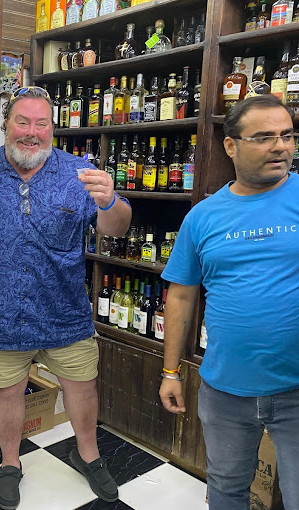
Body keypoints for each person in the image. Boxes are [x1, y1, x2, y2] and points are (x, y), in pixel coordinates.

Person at [0, 86, 132, 509]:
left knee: (82, 386)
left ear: (53, 128)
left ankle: (87, 453)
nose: (31, 133)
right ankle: (10, 464)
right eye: (22, 122)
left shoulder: (80, 173)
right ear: (5, 125)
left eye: (41, 124)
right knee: (7, 391)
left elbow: (118, 227)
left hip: (65, 312)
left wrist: (110, 201)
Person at [159, 94, 299, 510]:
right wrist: (170, 371)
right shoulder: (204, 216)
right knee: (225, 488)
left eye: (288, 135)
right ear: (231, 145)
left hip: (297, 389)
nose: (281, 146)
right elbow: (181, 296)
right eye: (264, 137)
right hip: (225, 389)